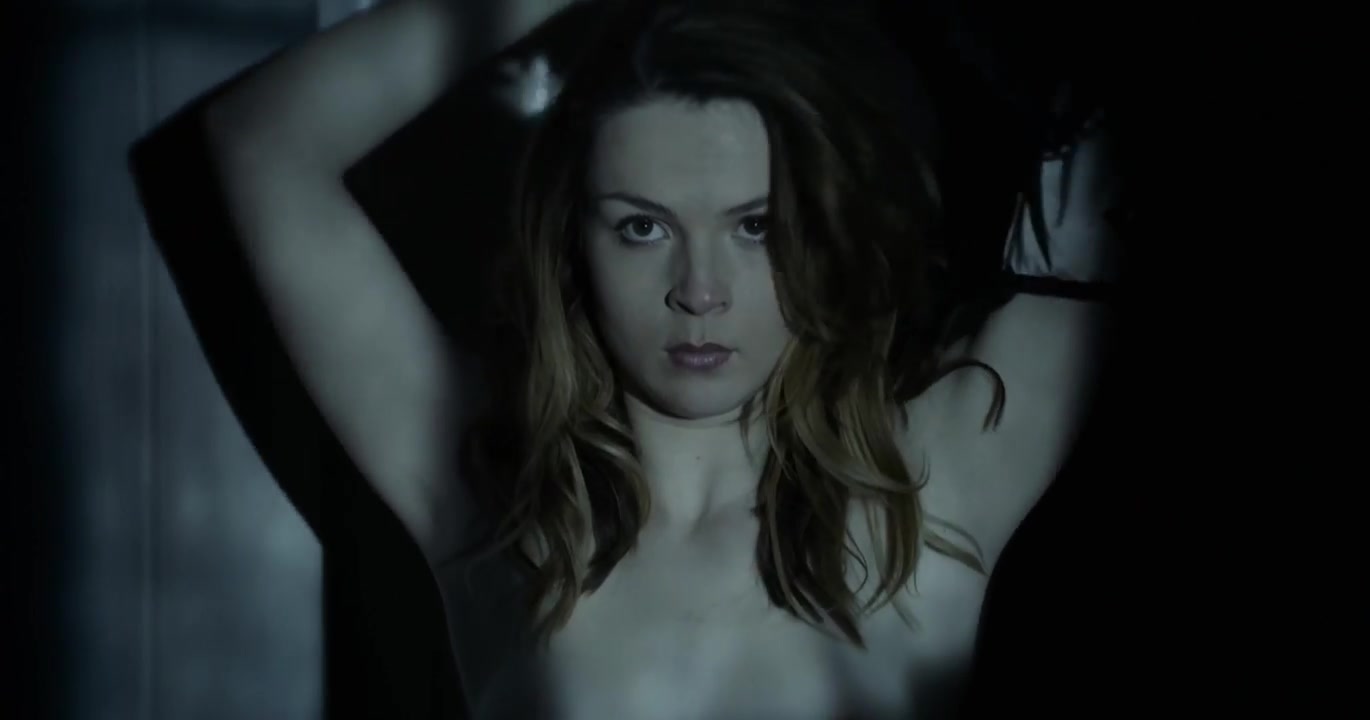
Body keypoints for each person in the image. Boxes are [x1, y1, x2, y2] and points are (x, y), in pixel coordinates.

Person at [129, 0, 1113, 717]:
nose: (699, 290)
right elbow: (260, 143)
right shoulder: (497, 508)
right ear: (572, 242)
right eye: (643, 227)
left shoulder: (940, 474)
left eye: (756, 226)